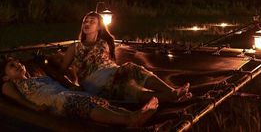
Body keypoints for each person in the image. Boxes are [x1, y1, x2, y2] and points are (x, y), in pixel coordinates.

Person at [56, 11, 190, 103]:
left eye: (92, 21)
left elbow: (108, 62)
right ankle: (172, 96)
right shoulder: (75, 47)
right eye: (85, 21)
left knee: (132, 74)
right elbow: (62, 71)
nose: (87, 23)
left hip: (111, 72)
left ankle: (172, 92)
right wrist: (73, 86)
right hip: (94, 81)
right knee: (129, 85)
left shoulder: (104, 43)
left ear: (99, 27)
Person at [0, 57, 158, 127]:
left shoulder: (39, 77)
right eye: (12, 66)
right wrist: (35, 108)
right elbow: (19, 100)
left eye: (18, 62)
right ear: (6, 76)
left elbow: (58, 80)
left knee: (99, 101)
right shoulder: (11, 84)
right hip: (56, 102)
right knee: (83, 103)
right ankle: (130, 120)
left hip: (67, 94)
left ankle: (134, 115)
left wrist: (73, 86)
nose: (18, 65)